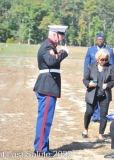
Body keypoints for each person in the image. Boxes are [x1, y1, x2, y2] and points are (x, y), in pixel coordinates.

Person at [33, 25, 69, 157]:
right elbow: (51, 60)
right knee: (44, 120)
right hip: (47, 87)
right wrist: (64, 52)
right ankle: (40, 149)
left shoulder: (50, 46)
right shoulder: (48, 47)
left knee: (46, 119)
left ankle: (43, 146)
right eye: (61, 36)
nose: (61, 39)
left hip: (48, 86)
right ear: (55, 34)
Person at [82, 49, 114, 140]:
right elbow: (85, 79)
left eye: (106, 60)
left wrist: (108, 85)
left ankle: (101, 134)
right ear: (98, 58)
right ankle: (85, 128)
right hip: (92, 93)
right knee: (89, 112)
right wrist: (89, 84)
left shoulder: (110, 67)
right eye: (102, 59)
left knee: (103, 115)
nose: (104, 62)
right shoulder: (91, 66)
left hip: (104, 95)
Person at [83, 33, 114, 122]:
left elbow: (112, 65)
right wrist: (86, 79)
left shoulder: (109, 50)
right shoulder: (90, 50)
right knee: (94, 96)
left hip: (104, 77)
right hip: (93, 76)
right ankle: (95, 116)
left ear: (104, 40)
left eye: (101, 39)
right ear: (96, 40)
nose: (100, 41)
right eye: (98, 39)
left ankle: (101, 116)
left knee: (103, 97)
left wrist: (109, 78)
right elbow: (86, 64)